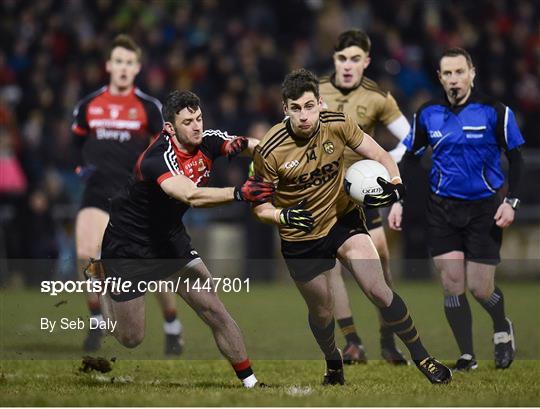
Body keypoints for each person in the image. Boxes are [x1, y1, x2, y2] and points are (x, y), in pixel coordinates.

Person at [252, 68, 451, 385]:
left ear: (319, 103)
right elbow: (260, 207)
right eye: (295, 108)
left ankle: (423, 357)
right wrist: (283, 216)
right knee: (322, 312)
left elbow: (381, 154)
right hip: (300, 236)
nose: (304, 115)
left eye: (308, 106)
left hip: (343, 219)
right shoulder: (270, 149)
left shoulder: (338, 124)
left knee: (379, 290)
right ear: (285, 109)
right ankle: (334, 364)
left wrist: (396, 183)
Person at [87, 90, 274, 388]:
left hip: (170, 240)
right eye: (188, 122)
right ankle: (100, 275)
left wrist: (280, 156)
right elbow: (190, 194)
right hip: (128, 246)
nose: (197, 126)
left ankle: (250, 382)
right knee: (130, 338)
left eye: (199, 118)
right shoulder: (157, 158)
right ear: (170, 128)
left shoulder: (207, 140)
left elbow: (252, 146)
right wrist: (240, 193)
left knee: (213, 308)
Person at [388, 48, 524, 371]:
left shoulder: (496, 112)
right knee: (451, 282)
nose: (453, 79)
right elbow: (409, 157)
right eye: (447, 73)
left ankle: (502, 325)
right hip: (442, 209)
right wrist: (398, 199)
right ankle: (467, 355)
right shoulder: (428, 113)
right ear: (440, 77)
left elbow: (517, 158)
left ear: (472, 73)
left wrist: (511, 202)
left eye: (459, 72)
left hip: (484, 209)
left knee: (480, 288)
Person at [72, 34, 186, 354]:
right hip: (97, 191)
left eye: (129, 62)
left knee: (154, 266)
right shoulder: (89, 105)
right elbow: (75, 143)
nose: (123, 68)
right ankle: (97, 322)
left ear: (137, 68)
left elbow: (166, 148)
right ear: (109, 65)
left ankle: (172, 324)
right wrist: (79, 168)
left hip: (135, 196)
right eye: (118, 61)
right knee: (87, 254)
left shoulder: (149, 108)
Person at [319, 29, 410, 365]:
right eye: (342, 58)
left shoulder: (378, 96)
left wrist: (387, 164)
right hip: (324, 194)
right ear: (334, 59)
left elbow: (410, 137)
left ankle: (388, 339)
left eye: (355, 59)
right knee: (332, 269)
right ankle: (353, 342)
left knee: (379, 264)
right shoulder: (316, 91)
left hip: (362, 195)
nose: (347, 65)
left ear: (366, 62)